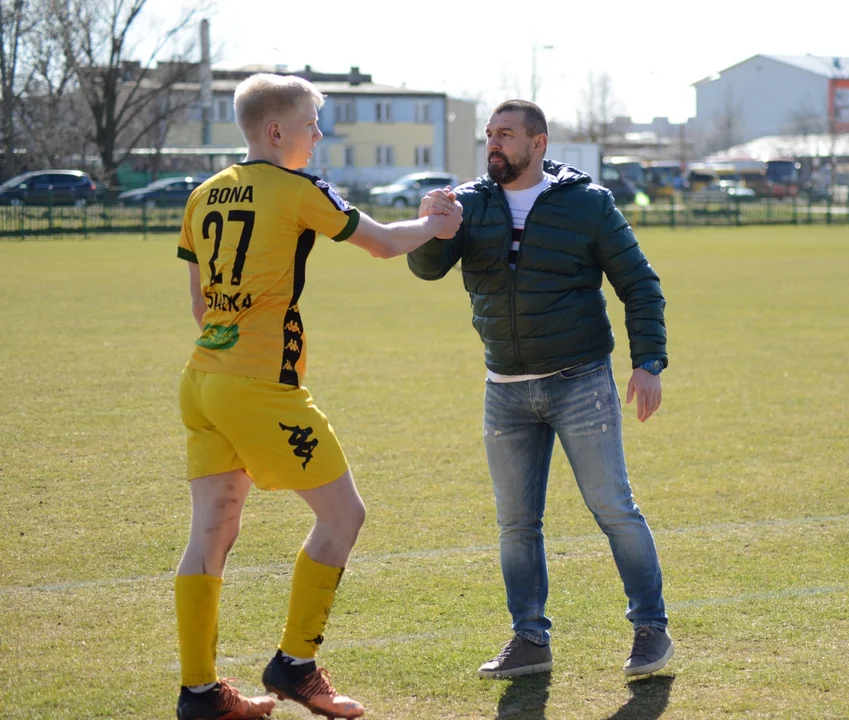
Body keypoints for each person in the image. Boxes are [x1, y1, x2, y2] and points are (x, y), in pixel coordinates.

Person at [173, 73, 461, 720]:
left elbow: (199, 306)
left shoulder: (204, 194)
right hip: (259, 387)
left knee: (210, 535)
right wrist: (435, 224)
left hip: (202, 382)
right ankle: (295, 666)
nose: (318, 134)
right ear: (277, 131)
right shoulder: (297, 189)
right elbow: (385, 243)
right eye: (311, 123)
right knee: (343, 517)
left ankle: (200, 693)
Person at [408, 99, 672, 679]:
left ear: (539, 143)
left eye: (505, 134)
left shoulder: (589, 204)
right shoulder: (469, 205)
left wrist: (648, 362)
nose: (493, 144)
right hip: (504, 389)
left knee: (613, 509)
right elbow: (427, 269)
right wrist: (432, 225)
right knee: (517, 525)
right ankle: (529, 640)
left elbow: (639, 284)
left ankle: (651, 629)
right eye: (489, 135)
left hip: (580, 382)